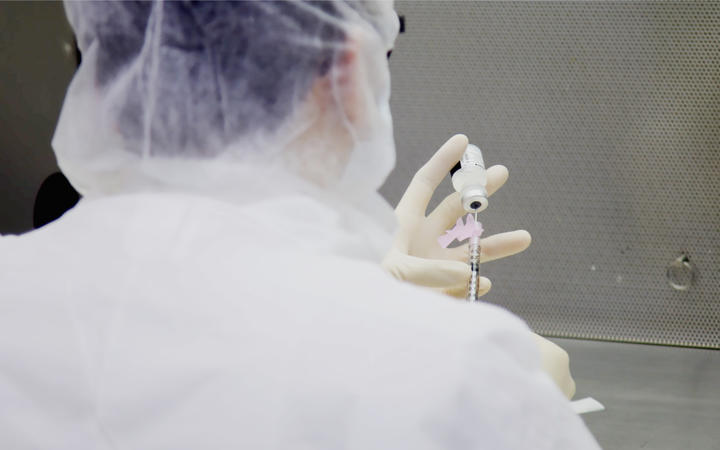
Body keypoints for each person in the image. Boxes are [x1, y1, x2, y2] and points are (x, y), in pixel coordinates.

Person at [0, 1, 597, 448]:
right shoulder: (456, 379)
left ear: (104, 70)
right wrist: (519, 394)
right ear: (347, 74)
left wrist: (363, 280)